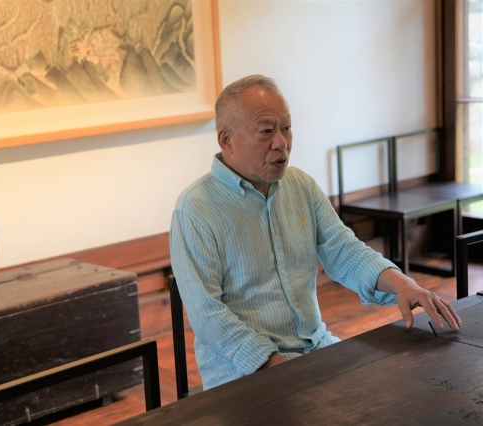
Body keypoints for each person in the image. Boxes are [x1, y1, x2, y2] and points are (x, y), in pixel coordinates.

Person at [169, 74, 462, 390]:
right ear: (226, 140)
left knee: (408, 390)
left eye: (287, 128)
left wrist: (401, 283)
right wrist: (273, 364)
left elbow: (344, 250)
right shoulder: (195, 209)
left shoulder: (300, 186)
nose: (282, 142)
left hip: (315, 350)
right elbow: (208, 316)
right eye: (266, 131)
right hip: (242, 375)